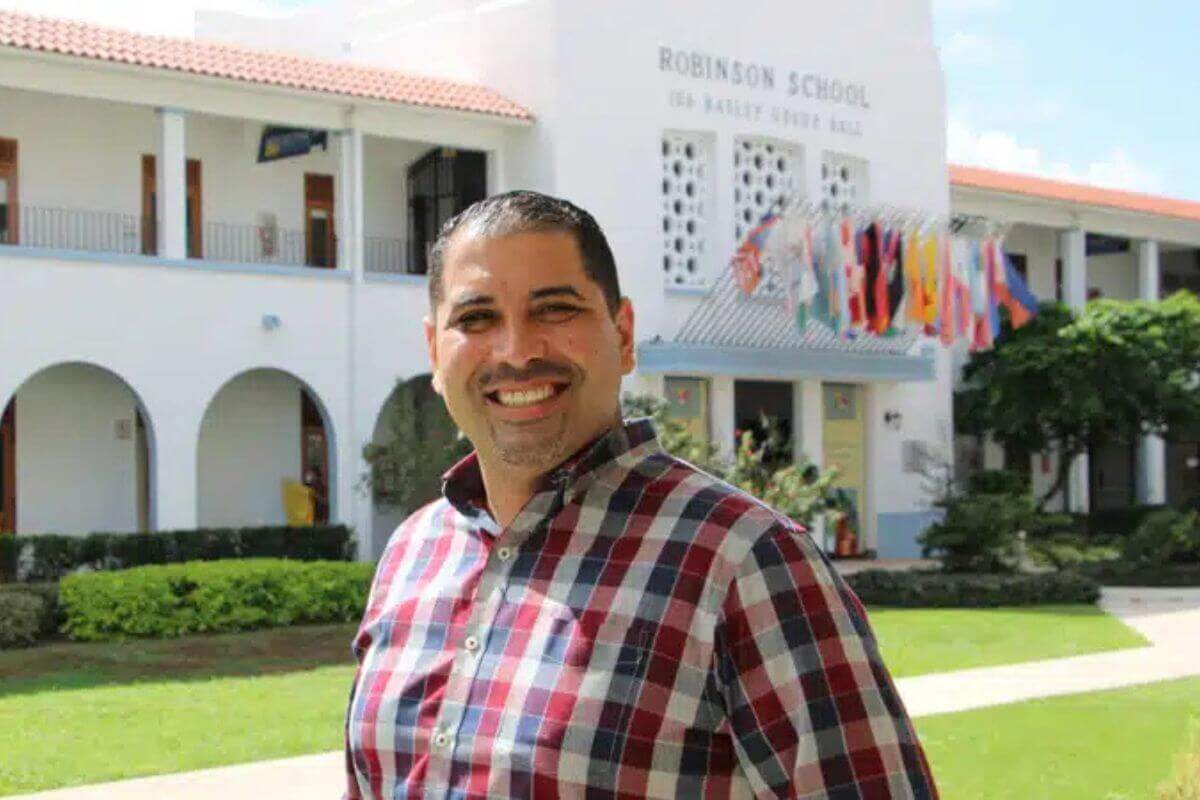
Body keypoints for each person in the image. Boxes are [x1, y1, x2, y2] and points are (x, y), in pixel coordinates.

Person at [343, 191, 938, 799]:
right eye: (476, 319)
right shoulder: (413, 552)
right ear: (434, 352)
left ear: (624, 335)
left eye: (554, 309)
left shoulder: (745, 561)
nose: (516, 350)